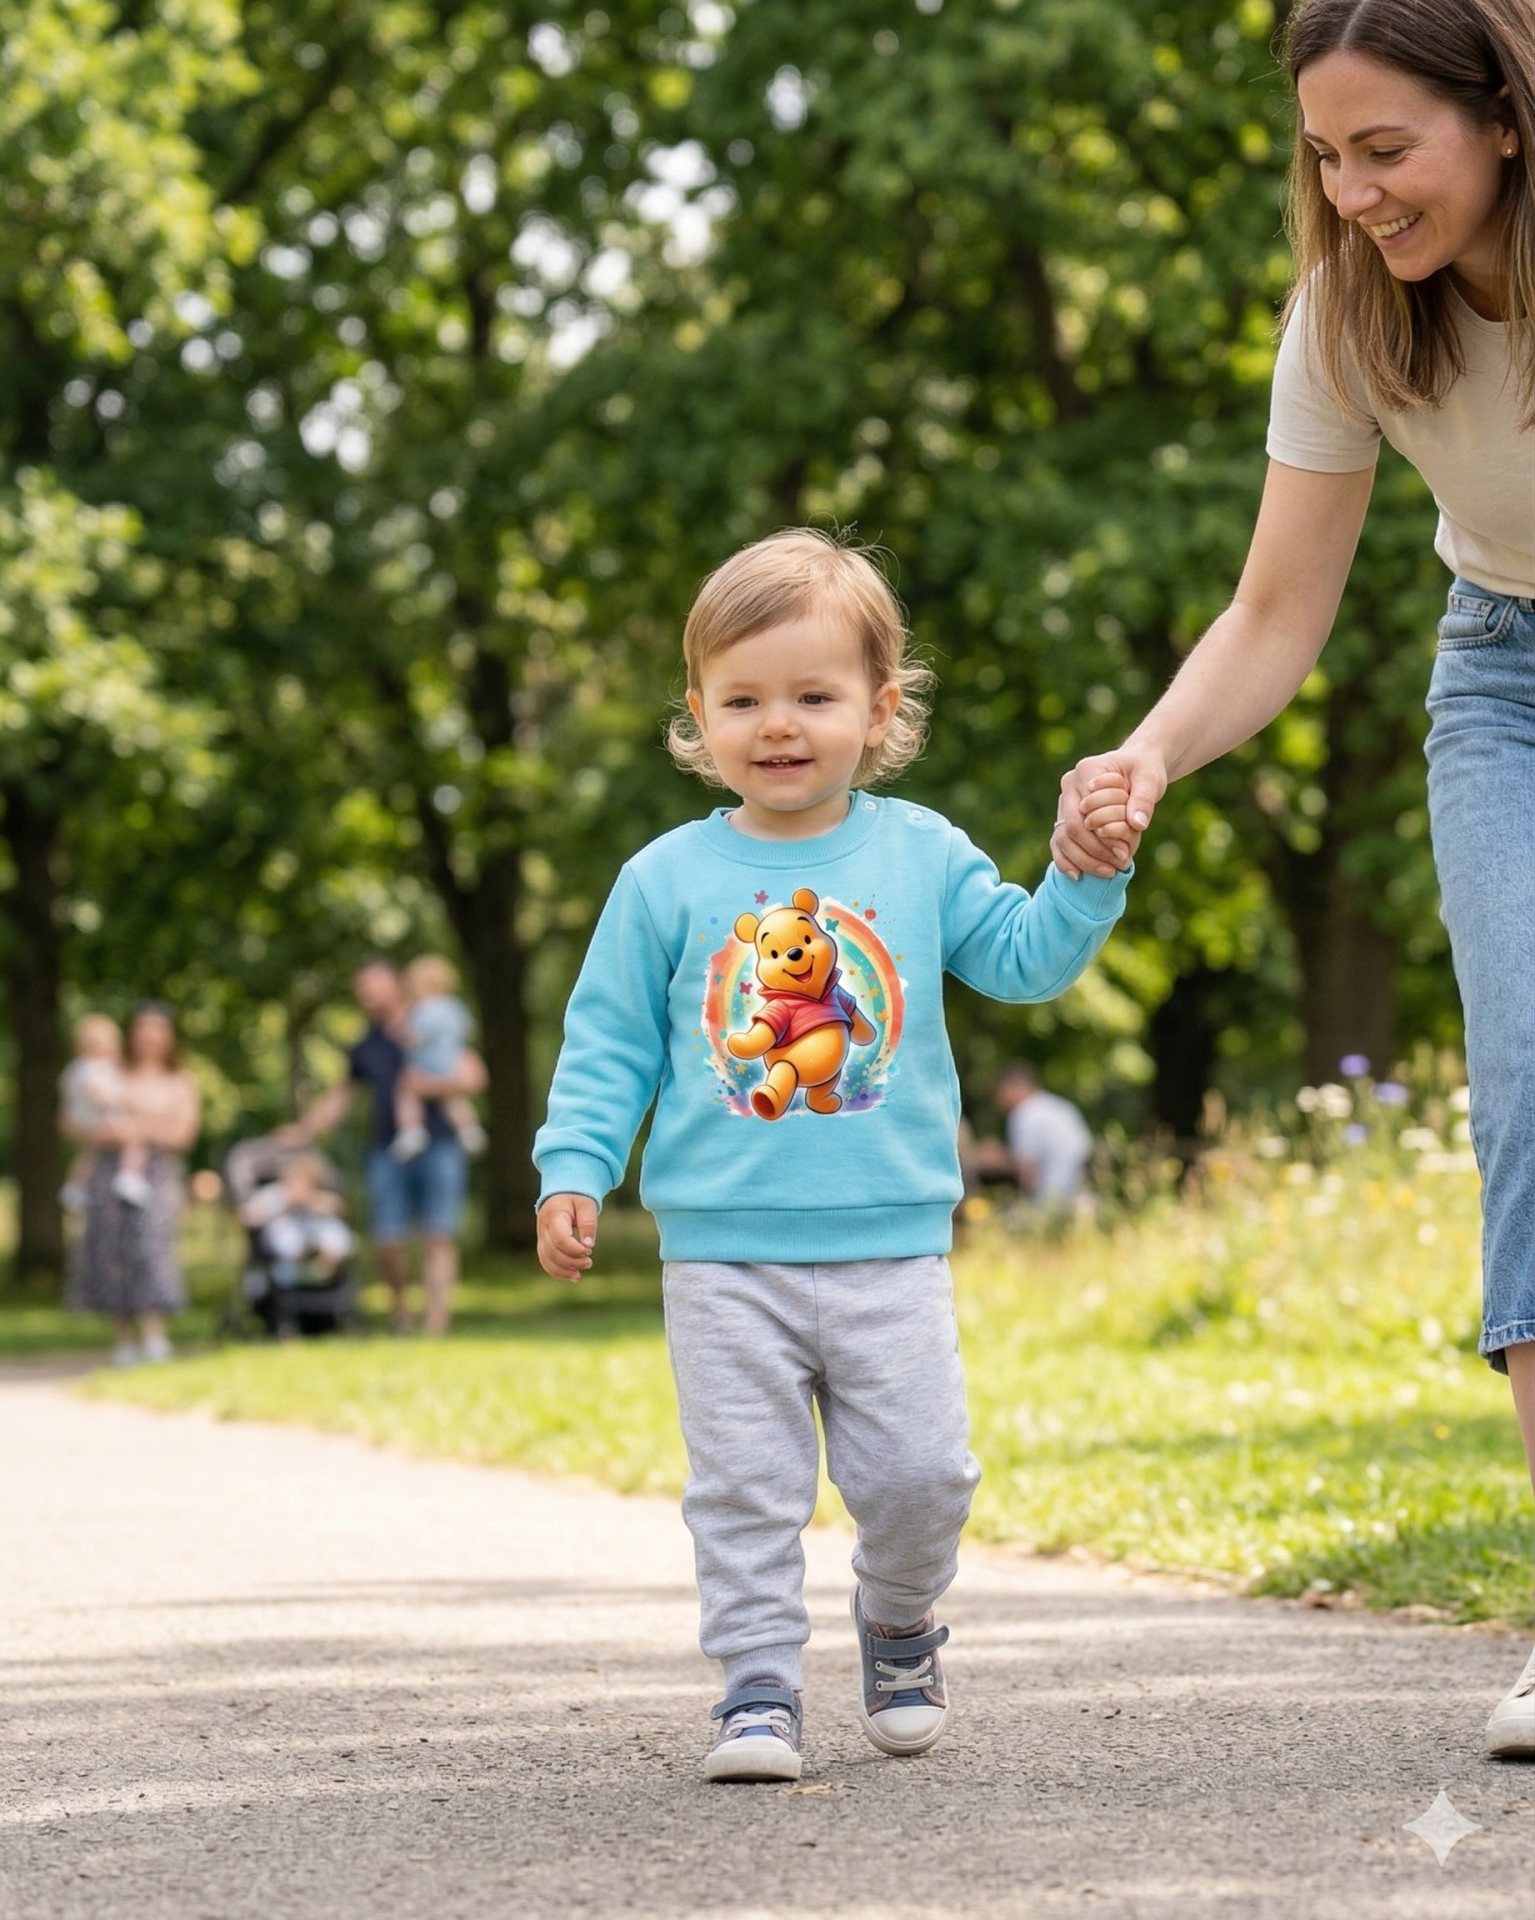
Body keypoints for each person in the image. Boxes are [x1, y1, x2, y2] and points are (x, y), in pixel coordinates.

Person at [1051, 0, 1534, 1760]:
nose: (1353, 194)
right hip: (1510, 682)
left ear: (1500, 115)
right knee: (1532, 1096)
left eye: (1385, 150)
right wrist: (1152, 756)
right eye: (1326, 158)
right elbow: (1275, 608)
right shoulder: (1346, 315)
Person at [534, 529, 1134, 1783]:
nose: (779, 725)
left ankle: (900, 1618)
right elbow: (605, 1047)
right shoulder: (664, 879)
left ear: (879, 707)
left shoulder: (916, 852)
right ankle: (755, 1692)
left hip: (891, 1247)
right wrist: (572, 1168)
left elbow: (1024, 958)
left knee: (921, 1477)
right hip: (722, 1258)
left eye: (813, 695)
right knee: (746, 1492)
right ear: (696, 713)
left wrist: (1081, 878)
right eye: (742, 699)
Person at [292, 960, 486, 1335]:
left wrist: (426, 1086)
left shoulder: (431, 1022)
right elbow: (340, 1096)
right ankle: (400, 1310)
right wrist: (302, 1131)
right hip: (387, 1151)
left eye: (374, 986)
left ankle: (436, 1323)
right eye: (361, 990)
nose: (367, 995)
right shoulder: (366, 1046)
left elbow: (474, 1076)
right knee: (388, 1241)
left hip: (440, 1145)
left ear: (396, 985)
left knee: (438, 1236)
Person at [65, 1002, 201, 1367]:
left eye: (157, 1029)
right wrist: (102, 1132)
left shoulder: (180, 1081)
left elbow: (184, 1133)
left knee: (151, 1248)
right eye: (143, 1027)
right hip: (107, 1169)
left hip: (154, 1174)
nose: (149, 1036)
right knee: (111, 1252)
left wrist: (138, 1128)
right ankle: (123, 1342)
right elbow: (71, 1118)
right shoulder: (110, 1071)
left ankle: (156, 1337)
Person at [391, 954, 487, 1162]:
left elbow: (416, 1037)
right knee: (453, 1099)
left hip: (426, 1061)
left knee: (407, 1093)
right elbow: (468, 1029)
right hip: (450, 1059)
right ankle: (470, 1130)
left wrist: (402, 1034)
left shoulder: (424, 1009)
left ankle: (412, 1131)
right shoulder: (454, 1006)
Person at [57, 1014, 152, 1212]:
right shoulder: (94, 1068)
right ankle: (130, 1176)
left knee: (87, 1153)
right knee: (134, 1141)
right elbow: (96, 1093)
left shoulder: (74, 1068)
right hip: (100, 1117)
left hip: (83, 1118)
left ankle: (75, 1187)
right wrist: (118, 1102)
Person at [239, 1151, 355, 1288]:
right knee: (283, 1232)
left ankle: (324, 1266)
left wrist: (312, 1201)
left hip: (312, 1240)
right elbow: (247, 1215)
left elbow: (338, 1207)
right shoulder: (274, 1195)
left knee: (334, 1228)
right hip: (283, 1248)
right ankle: (304, 1269)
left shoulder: (315, 1197)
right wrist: (283, 1205)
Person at [994, 1061, 1093, 1211]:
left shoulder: (1024, 1114)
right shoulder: (1062, 1107)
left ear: (1013, 1088)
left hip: (1050, 1201)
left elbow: (1027, 1171)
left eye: (1000, 1092)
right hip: (1081, 1197)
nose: (998, 1100)